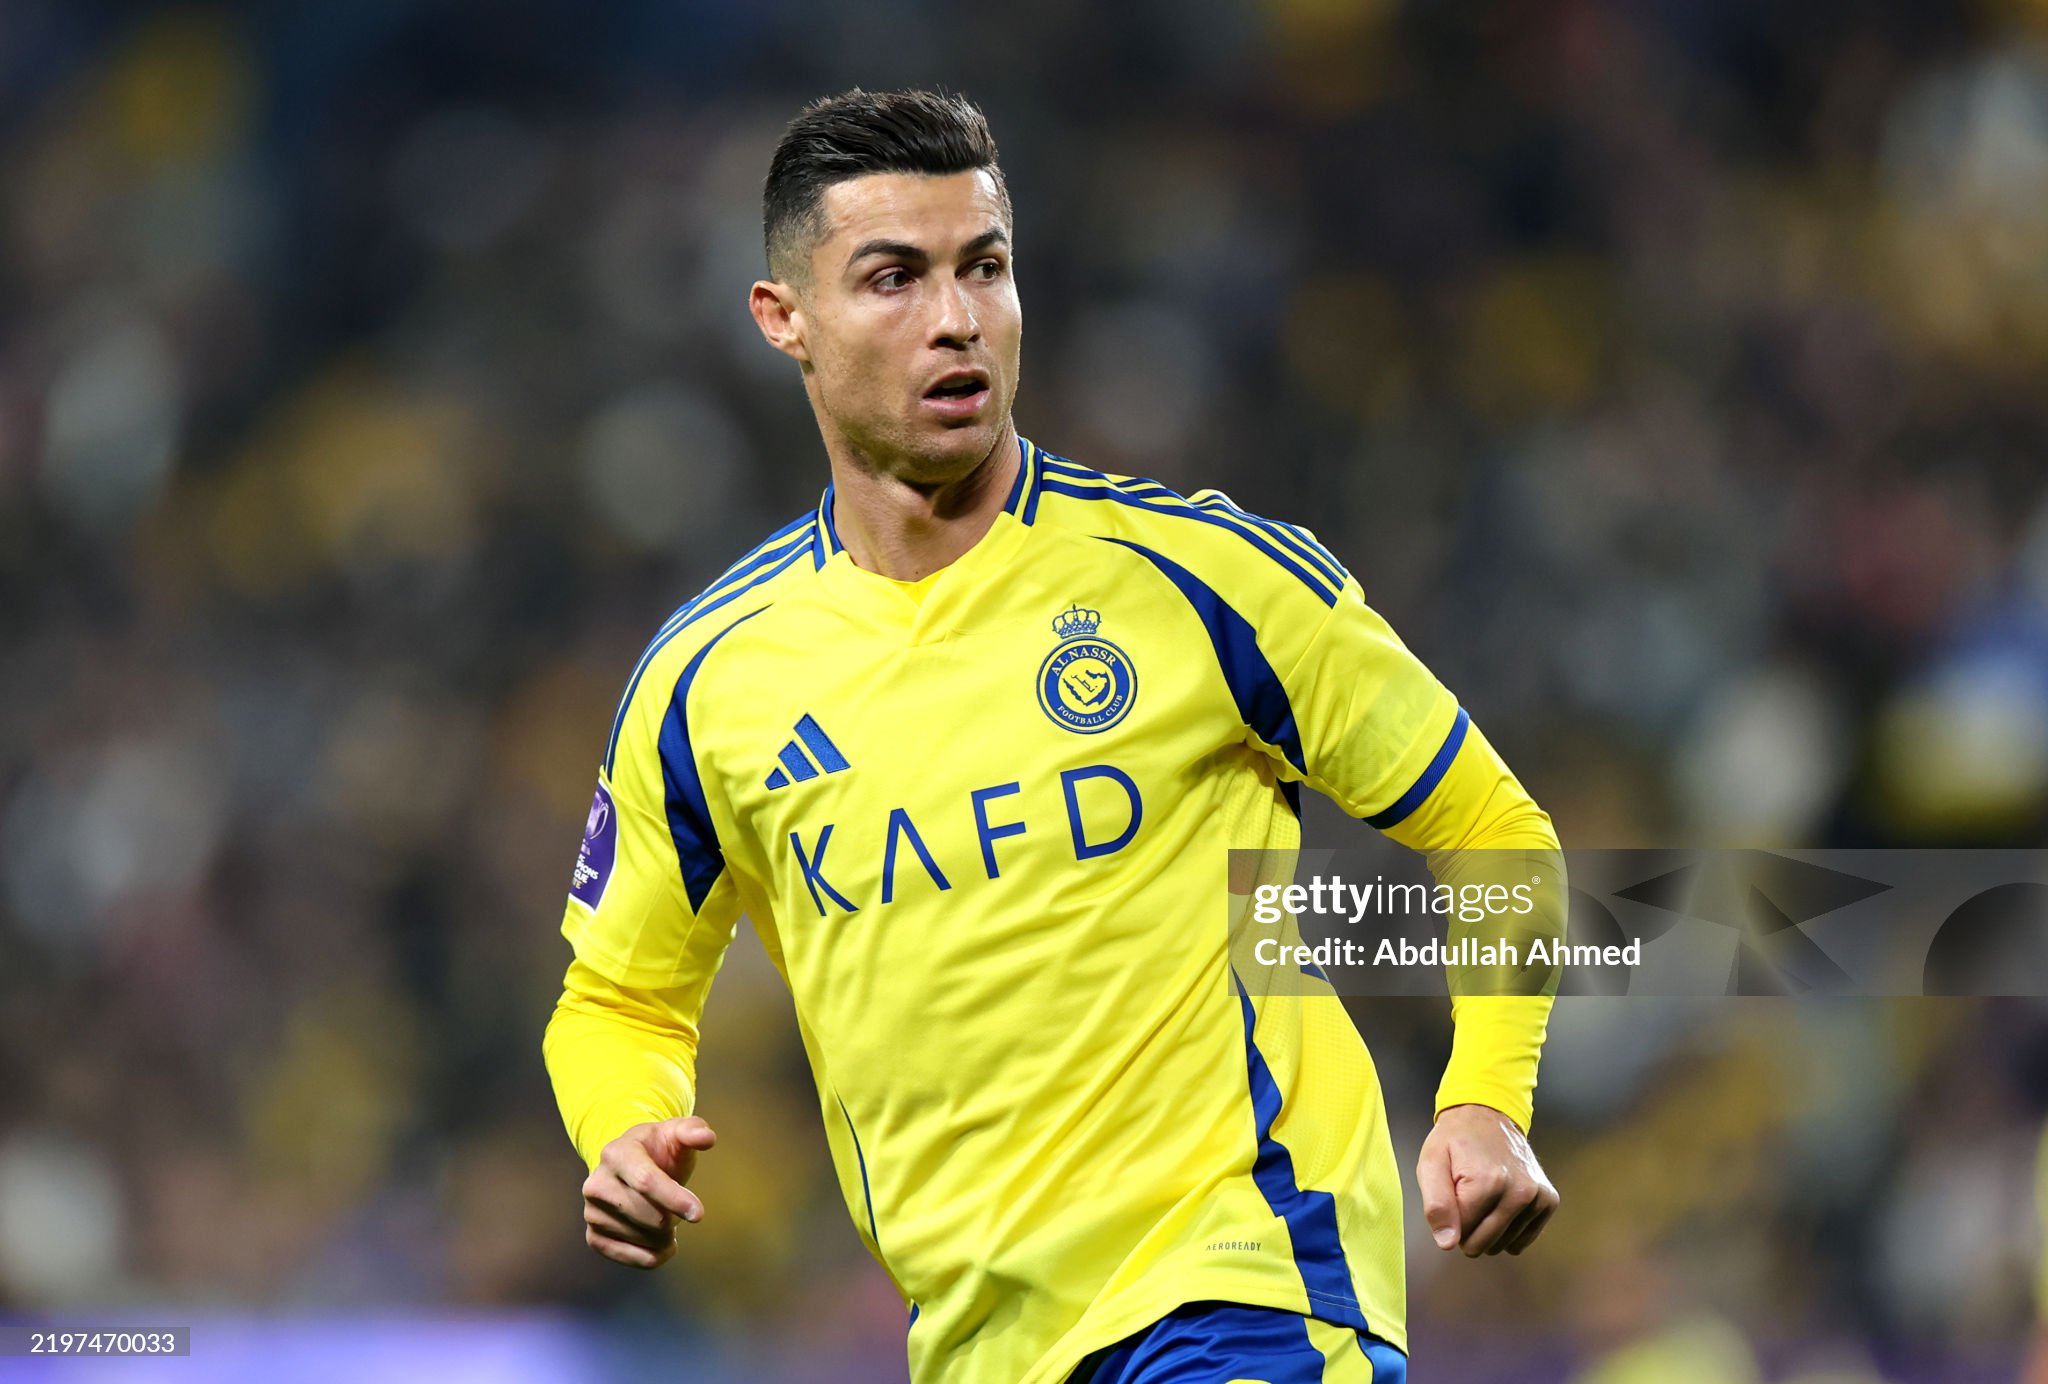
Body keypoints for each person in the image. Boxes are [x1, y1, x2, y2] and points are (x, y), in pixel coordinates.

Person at [543, 87, 1563, 1384]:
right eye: (894, 279)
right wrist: (623, 1129)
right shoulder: (707, 682)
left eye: (985, 267)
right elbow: (618, 999)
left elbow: (1493, 829)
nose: (957, 318)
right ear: (782, 318)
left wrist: (1485, 1096)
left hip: (1246, 1285)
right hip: (978, 1345)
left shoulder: (1205, 579)